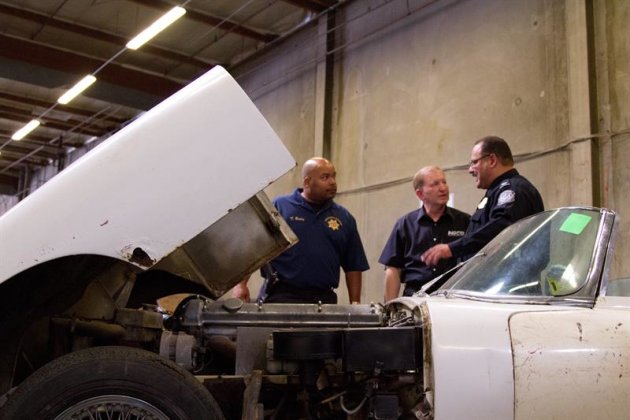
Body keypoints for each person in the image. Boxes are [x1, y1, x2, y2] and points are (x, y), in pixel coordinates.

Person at [232, 157, 369, 304]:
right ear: (307, 182)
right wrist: (240, 285)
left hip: (323, 299)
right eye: (325, 177)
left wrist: (355, 304)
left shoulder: (344, 218)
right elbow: (254, 248)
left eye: (333, 176)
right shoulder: (280, 207)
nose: (332, 182)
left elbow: (353, 265)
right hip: (281, 295)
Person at [422, 135, 544, 266]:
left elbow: (501, 229)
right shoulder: (496, 192)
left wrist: (451, 249)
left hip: (508, 280)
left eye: (474, 162)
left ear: (492, 160)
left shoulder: (513, 190)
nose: (470, 170)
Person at [379, 166, 470, 301]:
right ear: (420, 194)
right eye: (435, 184)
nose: (443, 188)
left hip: (453, 299)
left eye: (444, 182)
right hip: (415, 298)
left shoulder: (465, 221)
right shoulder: (405, 224)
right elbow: (393, 269)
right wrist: (390, 309)